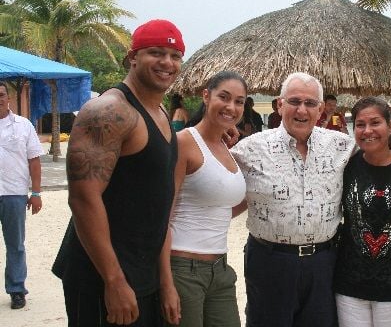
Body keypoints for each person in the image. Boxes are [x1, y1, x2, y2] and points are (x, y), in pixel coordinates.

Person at [51, 19, 185, 326]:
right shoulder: (108, 111)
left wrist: (165, 282)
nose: (167, 62)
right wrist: (113, 280)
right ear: (132, 57)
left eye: (175, 55)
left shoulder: (161, 113)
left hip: (144, 273)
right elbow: (83, 198)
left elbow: (159, 204)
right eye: (156, 52)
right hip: (102, 275)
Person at [230, 72, 355, 326]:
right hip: (269, 261)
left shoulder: (342, 146)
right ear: (279, 104)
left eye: (310, 103)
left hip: (324, 263)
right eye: (294, 101)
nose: (302, 110)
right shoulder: (248, 148)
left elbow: (379, 153)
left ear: (320, 109)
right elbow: (212, 177)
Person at [160, 71, 248, 327]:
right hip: (182, 269)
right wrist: (166, 284)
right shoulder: (184, 142)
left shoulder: (226, 148)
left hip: (220, 269)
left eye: (239, 101)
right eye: (224, 97)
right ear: (206, 96)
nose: (231, 107)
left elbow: (220, 208)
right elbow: (162, 217)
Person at [333, 96, 391, 327]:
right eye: (360, 125)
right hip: (350, 279)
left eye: (375, 123)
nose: (367, 130)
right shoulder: (345, 165)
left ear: (390, 127)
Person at [0, 81, 43, 310]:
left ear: (8, 97)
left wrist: (35, 192)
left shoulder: (23, 125)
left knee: (15, 244)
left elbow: (34, 160)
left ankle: (17, 289)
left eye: (1, 94)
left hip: (14, 194)